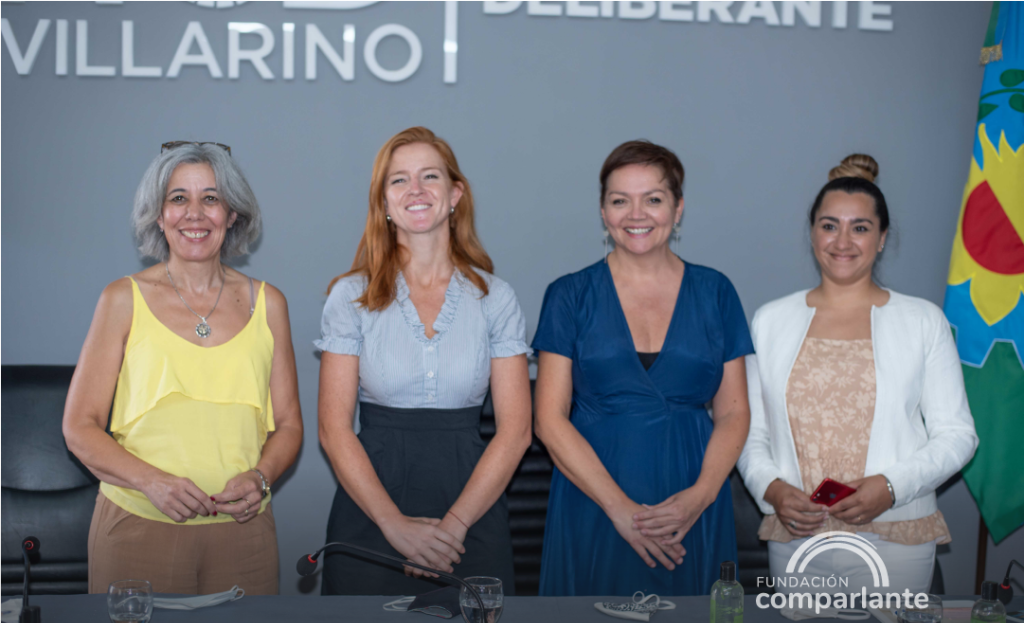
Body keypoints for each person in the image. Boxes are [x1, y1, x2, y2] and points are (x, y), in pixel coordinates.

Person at [63, 142, 302, 595]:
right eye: (178, 199)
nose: (195, 213)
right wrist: (152, 482)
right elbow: (79, 427)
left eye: (210, 198)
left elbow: (289, 425)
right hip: (136, 529)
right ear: (159, 214)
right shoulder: (121, 299)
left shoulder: (269, 304)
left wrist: (261, 476)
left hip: (244, 536)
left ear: (232, 215)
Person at [737, 154, 978, 596]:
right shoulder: (769, 321)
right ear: (812, 233)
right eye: (829, 225)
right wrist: (772, 490)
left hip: (895, 536)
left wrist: (891, 487)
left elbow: (958, 435)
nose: (842, 241)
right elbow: (750, 434)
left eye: (860, 228)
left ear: (883, 238)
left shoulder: (923, 321)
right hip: (798, 535)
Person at [316, 126, 532, 596]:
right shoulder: (349, 296)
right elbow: (333, 430)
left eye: (429, 176)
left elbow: (516, 431)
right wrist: (394, 526)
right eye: (398, 180)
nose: (415, 190)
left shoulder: (495, 298)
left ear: (455, 194)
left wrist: (454, 527)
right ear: (384, 203)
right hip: (372, 508)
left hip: (472, 507)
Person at [532, 140, 753, 596]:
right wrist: (620, 511)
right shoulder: (568, 295)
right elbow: (549, 420)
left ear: (678, 208)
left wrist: (702, 495)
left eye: (653, 199)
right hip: (595, 500)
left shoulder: (716, 291)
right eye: (620, 201)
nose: (637, 214)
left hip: (692, 502)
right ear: (602, 211)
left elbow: (733, 412)